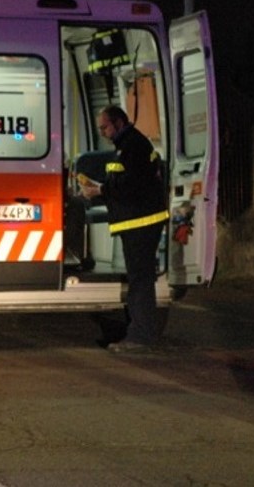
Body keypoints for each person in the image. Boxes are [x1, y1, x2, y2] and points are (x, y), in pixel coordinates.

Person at [79, 105, 169, 353]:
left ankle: (140, 337)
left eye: (105, 127)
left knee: (140, 282)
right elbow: (125, 180)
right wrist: (101, 187)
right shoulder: (128, 145)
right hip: (138, 223)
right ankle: (139, 332)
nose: (104, 133)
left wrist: (100, 190)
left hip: (141, 223)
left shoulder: (133, 146)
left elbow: (131, 184)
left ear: (119, 123)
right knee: (139, 280)